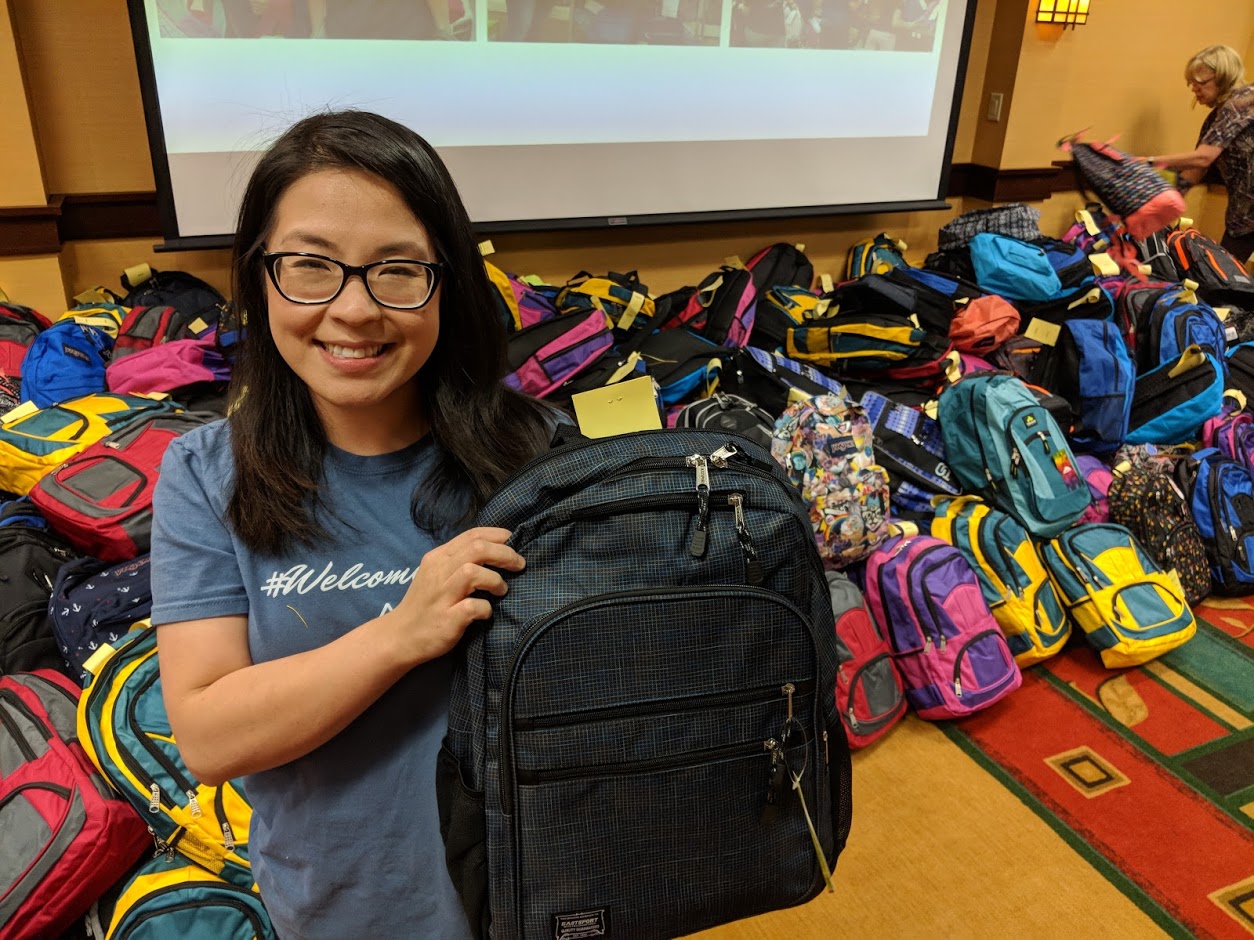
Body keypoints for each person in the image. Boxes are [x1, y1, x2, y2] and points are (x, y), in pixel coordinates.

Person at [149, 110, 558, 939]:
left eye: (398, 270)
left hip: (541, 888)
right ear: (259, 276)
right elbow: (209, 735)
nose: (354, 309)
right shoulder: (203, 477)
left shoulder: (532, 451)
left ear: (447, 279)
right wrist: (403, 631)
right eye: (310, 266)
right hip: (348, 909)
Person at [1144, 45, 1254, 266]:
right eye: (1191, 83)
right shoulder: (1217, 118)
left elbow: (1203, 157)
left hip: (1247, 217)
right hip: (1245, 218)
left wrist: (1149, 161)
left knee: (1226, 279)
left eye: (1200, 83)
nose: (1194, 88)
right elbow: (1195, 171)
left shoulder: (1243, 101)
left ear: (1223, 77)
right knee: (1225, 277)